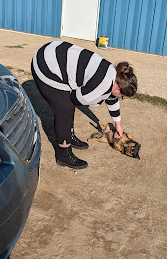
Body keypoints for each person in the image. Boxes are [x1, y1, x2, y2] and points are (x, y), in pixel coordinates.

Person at [31, 40, 137, 169]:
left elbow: (112, 98)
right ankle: (63, 154)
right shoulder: (103, 84)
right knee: (65, 109)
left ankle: (68, 136)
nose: (120, 98)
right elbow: (76, 99)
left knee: (67, 106)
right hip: (45, 65)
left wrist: (118, 125)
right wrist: (98, 99)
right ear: (118, 88)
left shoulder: (115, 76)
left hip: (54, 53)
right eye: (122, 96)